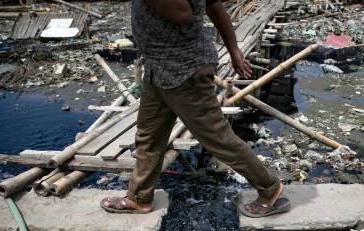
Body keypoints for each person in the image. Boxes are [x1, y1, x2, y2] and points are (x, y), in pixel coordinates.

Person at [101, 0, 290, 218]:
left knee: (218, 138)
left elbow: (183, 13)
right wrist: (234, 49)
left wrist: (234, 48)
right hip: (158, 69)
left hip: (184, 70)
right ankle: (139, 198)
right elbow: (215, 5)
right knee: (149, 137)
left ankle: (270, 189)